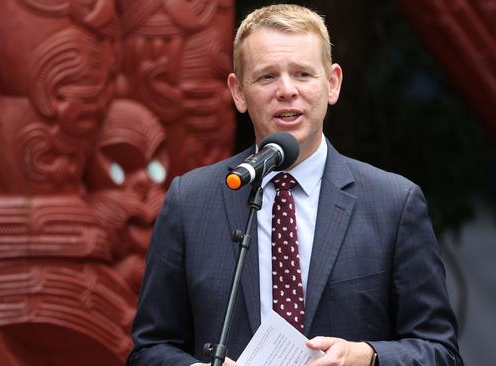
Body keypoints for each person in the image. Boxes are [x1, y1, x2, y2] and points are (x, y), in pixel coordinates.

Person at [127, 4, 462, 366]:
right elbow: (149, 349)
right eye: (267, 77)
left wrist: (367, 356)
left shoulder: (394, 204)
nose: (287, 90)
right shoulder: (190, 200)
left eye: (303, 74)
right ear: (238, 92)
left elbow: (440, 352)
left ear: (332, 83)